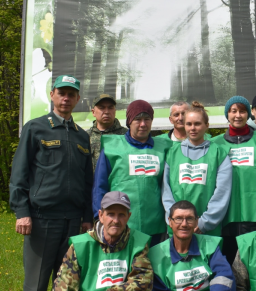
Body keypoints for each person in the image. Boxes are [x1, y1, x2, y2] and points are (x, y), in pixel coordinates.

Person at [9, 75, 93, 291]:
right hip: (42, 219)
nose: (66, 98)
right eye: (61, 93)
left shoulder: (82, 136)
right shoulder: (36, 128)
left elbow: (87, 181)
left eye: (71, 94)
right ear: (52, 94)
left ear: (77, 99)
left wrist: (87, 217)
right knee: (37, 285)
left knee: (64, 284)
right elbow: (19, 174)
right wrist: (22, 211)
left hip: (73, 221)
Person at [93, 100, 171, 245]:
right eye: (137, 119)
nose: (143, 124)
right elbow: (99, 185)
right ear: (129, 121)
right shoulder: (112, 147)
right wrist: (99, 217)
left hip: (155, 225)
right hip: (119, 224)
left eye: (147, 119)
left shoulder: (164, 147)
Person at [212, 96, 256, 264]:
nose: (238, 115)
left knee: (254, 263)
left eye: (242, 111)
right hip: (225, 216)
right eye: (233, 111)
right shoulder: (215, 144)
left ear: (248, 114)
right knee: (228, 263)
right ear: (227, 114)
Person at [162, 102, 232, 237]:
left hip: (207, 229)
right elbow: (166, 191)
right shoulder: (172, 153)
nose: (193, 128)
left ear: (207, 125)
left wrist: (205, 222)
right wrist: (175, 218)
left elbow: (222, 192)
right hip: (177, 228)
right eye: (189, 124)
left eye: (197, 124)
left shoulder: (219, 153)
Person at [87, 93, 127, 172]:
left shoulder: (126, 136)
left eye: (110, 107)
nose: (107, 112)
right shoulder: (86, 136)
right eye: (102, 108)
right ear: (93, 112)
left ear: (115, 111)